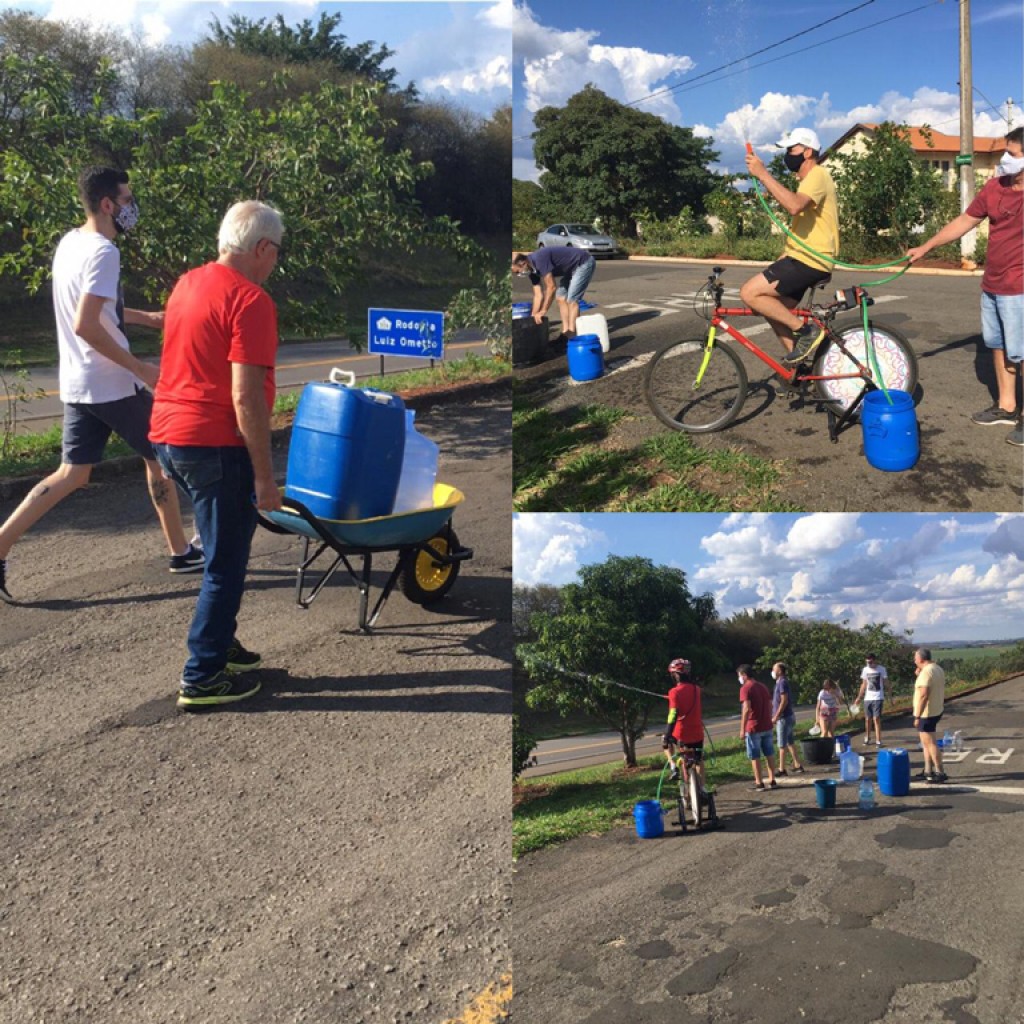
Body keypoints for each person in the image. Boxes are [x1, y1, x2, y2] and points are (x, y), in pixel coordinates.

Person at [0, 166, 202, 604]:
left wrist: (146, 318)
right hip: (113, 383)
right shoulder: (105, 252)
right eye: (128, 201)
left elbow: (95, 309)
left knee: (72, 473)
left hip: (77, 383)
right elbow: (87, 325)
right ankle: (182, 549)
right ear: (108, 204)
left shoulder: (70, 243)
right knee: (164, 455)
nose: (132, 208)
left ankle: (0, 544)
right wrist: (140, 368)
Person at [149, 200, 284, 709]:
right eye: (275, 255)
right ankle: (203, 674)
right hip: (213, 443)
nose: (274, 266)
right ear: (263, 248)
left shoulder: (187, 283)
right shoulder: (251, 301)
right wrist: (265, 479)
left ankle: (220, 642)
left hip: (169, 436)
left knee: (220, 549)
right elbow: (245, 397)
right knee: (226, 562)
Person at [907, 126, 1024, 447]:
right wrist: (926, 247)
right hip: (993, 284)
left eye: (1012, 154)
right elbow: (964, 222)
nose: (1005, 160)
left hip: (1020, 288)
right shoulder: (994, 188)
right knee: (999, 346)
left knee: (1022, 351)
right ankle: (1007, 406)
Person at [740, 128, 840, 367]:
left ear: (807, 152)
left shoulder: (817, 174)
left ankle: (807, 332)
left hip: (810, 261)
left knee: (749, 293)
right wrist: (780, 259)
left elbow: (794, 206)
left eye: (791, 149)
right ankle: (799, 365)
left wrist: (763, 174)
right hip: (801, 258)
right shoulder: (807, 181)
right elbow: (803, 230)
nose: (788, 154)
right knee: (771, 309)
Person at [511, 246, 596, 344]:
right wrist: (533, 315)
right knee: (560, 297)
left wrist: (543, 311)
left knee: (572, 300)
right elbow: (538, 294)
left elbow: (551, 287)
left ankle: (572, 336)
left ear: (523, 263)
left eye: (517, 271)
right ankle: (565, 333)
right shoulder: (531, 269)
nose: (518, 275)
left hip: (583, 262)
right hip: (571, 268)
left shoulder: (539, 259)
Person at [662, 658, 705, 788]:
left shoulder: (674, 692)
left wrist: (667, 734)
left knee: (666, 741)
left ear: (676, 675)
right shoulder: (697, 689)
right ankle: (702, 787)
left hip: (681, 735)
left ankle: (673, 766)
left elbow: (673, 714)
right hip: (697, 734)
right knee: (699, 760)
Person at [738, 664, 776, 790]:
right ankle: (772, 779)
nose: (739, 679)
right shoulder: (763, 686)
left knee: (755, 755)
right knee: (769, 753)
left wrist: (742, 728)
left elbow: (746, 709)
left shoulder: (746, 688)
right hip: (767, 724)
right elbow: (770, 705)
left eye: (739, 676)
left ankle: (759, 782)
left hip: (753, 726)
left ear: (744, 675)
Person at [912, 647, 948, 783]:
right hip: (936, 709)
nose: (914, 661)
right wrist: (919, 675)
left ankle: (940, 771)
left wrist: (917, 716)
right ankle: (928, 770)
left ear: (921, 659)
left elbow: (924, 695)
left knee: (930, 743)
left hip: (926, 713)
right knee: (925, 743)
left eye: (915, 658)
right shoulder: (936, 668)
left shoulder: (926, 672)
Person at [770, 661, 804, 776]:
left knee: (782, 744)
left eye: (774, 669)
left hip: (783, 718)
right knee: (790, 742)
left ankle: (781, 769)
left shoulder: (782, 683)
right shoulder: (779, 682)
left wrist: (776, 716)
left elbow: (784, 700)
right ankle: (797, 764)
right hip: (788, 716)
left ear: (780, 671)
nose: (772, 671)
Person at [854, 653, 889, 747]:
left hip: (878, 696)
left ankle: (878, 740)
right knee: (867, 719)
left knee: (876, 718)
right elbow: (863, 684)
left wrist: (890, 693)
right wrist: (859, 697)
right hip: (867, 698)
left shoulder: (881, 669)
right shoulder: (865, 670)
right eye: (867, 662)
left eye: (870, 662)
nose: (869, 664)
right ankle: (867, 738)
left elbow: (886, 682)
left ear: (875, 660)